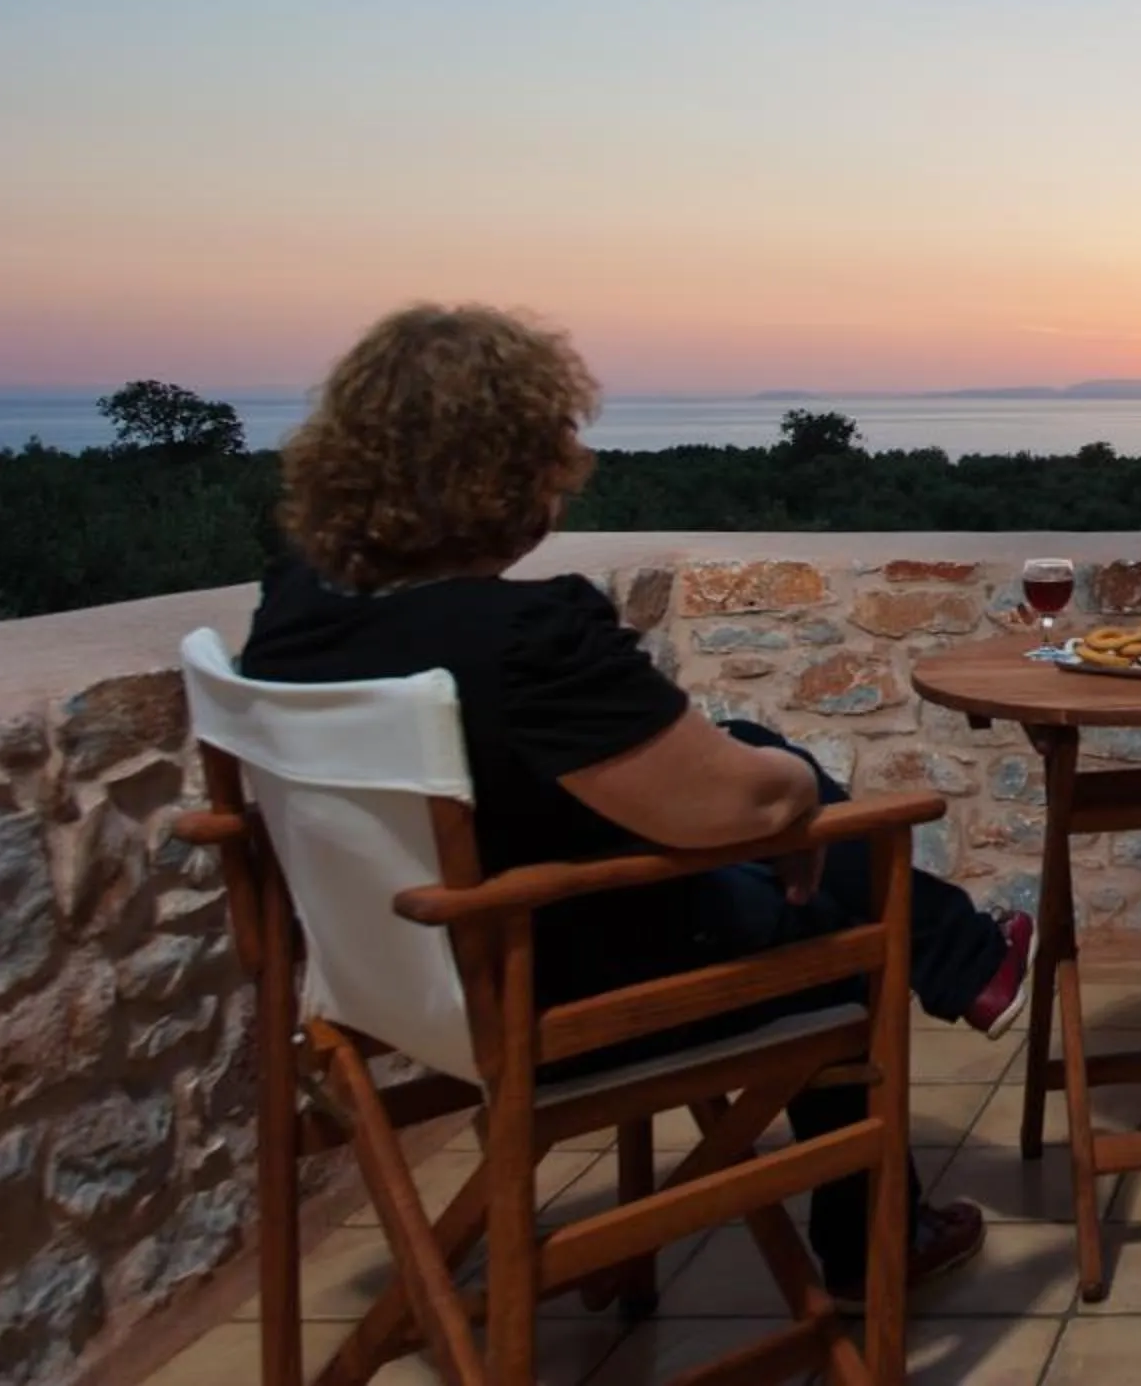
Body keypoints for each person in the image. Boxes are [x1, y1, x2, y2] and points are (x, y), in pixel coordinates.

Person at [238, 303, 1029, 1305]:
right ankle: (879, 1231)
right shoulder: (525, 635)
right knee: (830, 884)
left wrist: (757, 782)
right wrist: (790, 793)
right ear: (515, 466)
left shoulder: (295, 611)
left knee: (752, 761)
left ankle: (956, 956)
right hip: (563, 985)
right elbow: (738, 804)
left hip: (397, 987)